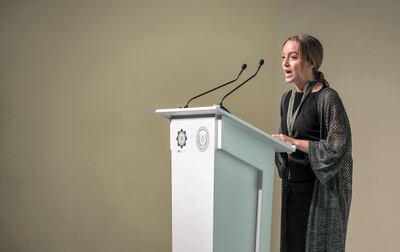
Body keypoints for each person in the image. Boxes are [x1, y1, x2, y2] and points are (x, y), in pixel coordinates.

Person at [273, 34, 353, 252]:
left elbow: (338, 147)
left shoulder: (327, 98)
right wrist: (281, 147)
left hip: (319, 196)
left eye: (292, 57)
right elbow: (286, 144)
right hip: (292, 192)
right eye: (283, 58)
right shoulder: (286, 100)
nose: (285, 64)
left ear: (311, 62)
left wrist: (295, 143)